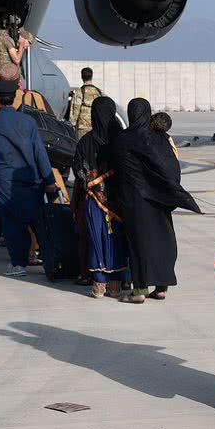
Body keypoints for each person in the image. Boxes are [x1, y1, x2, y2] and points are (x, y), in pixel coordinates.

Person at [109, 98, 201, 304]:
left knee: (139, 244)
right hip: (159, 199)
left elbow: (117, 167)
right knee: (163, 240)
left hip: (135, 201)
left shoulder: (123, 139)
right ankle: (161, 288)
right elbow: (172, 166)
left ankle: (139, 290)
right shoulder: (160, 138)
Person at [0, 79, 57, 277]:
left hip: (4, 181)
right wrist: (49, 181)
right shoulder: (28, 121)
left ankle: (18, 264)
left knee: (13, 224)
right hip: (31, 180)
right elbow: (39, 152)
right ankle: (51, 261)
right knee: (37, 222)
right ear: (14, 99)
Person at [71, 97, 127, 298]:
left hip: (93, 200)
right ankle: (115, 284)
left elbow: (77, 168)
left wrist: (89, 183)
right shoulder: (121, 139)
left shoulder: (85, 141)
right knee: (116, 239)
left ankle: (99, 284)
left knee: (96, 238)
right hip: (118, 201)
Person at [68, 67, 103, 139]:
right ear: (92, 76)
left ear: (82, 77)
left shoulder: (80, 92)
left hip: (83, 128)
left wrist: (71, 125)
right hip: (96, 128)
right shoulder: (99, 92)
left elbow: (75, 110)